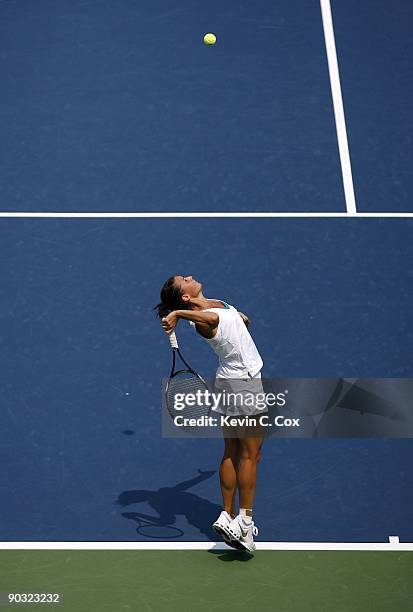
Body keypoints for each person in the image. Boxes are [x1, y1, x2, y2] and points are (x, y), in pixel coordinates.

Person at [154, 275, 266, 552]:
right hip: (244, 383)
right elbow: (213, 321)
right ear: (185, 297)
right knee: (251, 455)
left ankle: (226, 515)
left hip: (229, 381)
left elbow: (226, 318)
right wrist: (178, 314)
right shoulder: (201, 321)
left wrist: (239, 318)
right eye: (184, 280)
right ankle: (245, 523)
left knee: (231, 450)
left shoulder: (214, 304)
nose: (190, 277)